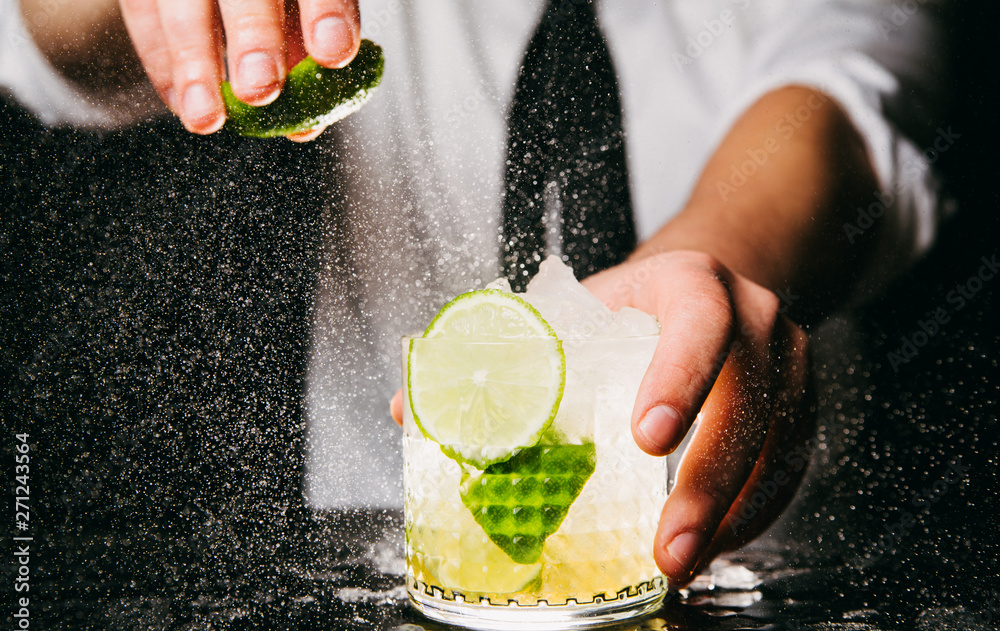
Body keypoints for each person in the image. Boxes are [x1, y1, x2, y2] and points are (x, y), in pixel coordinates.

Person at [2, 0, 946, 587]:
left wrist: (714, 263)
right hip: (384, 564)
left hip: (770, 566)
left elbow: (845, 102)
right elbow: (37, 36)